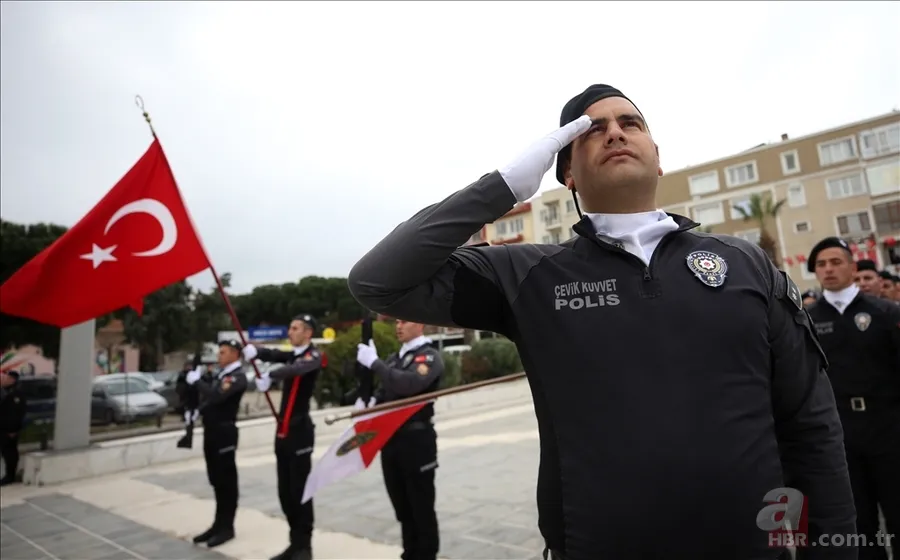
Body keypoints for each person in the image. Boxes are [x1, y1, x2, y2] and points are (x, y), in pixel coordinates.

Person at [347, 84, 857, 559]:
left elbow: (809, 424)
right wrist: (500, 187)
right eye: (592, 129)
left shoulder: (744, 264)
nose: (614, 131)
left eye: (631, 123)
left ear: (658, 158)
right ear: (565, 172)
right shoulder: (526, 275)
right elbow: (377, 281)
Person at [806, 237, 900, 560]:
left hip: (888, 427)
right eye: (821, 264)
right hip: (839, 432)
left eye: (836, 262)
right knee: (859, 524)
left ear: (852, 266)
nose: (829, 269)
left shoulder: (885, 312)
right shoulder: (807, 320)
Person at [355, 319, 444, 560]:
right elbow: (387, 390)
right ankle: (410, 553)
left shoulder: (428, 357)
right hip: (391, 441)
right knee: (402, 507)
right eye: (396, 320)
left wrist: (375, 363)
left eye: (405, 320)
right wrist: (369, 400)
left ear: (421, 324)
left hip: (417, 442)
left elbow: (408, 384)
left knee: (421, 508)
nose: (399, 325)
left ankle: (425, 555)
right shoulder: (395, 357)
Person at [242, 315, 324, 560]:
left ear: (308, 333)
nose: (290, 332)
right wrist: (254, 351)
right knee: (285, 493)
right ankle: (294, 542)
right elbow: (274, 355)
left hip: (300, 432)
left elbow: (296, 368)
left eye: (295, 328)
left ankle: (305, 547)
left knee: (300, 491)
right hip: (283, 432)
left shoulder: (312, 356)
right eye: (289, 327)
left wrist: (272, 377)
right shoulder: (293, 354)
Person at [187, 339, 248, 548]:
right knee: (215, 480)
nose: (219, 356)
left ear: (234, 354)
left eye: (223, 352)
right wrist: (197, 411)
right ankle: (218, 524)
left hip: (225, 433)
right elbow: (210, 400)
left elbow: (217, 395)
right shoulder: (222, 374)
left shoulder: (237, 377)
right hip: (212, 432)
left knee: (226, 482)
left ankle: (227, 527)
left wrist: (196, 382)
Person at [0, 371, 27, 486]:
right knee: (5, 452)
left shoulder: (16, 394)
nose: (3, 380)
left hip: (10, 430)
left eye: (5, 378)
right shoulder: (4, 391)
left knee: (10, 453)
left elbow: (17, 413)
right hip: (2, 428)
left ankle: (10, 476)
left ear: (12, 380)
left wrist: (13, 430)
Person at [176, 356, 202, 449]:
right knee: (188, 420)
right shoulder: (183, 376)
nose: (189, 368)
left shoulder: (194, 376)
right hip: (187, 402)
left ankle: (188, 438)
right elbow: (180, 389)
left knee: (191, 419)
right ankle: (187, 439)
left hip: (194, 402)